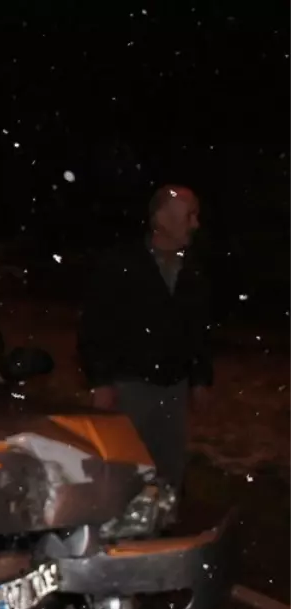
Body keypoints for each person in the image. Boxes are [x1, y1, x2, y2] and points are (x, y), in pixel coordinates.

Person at [77, 185, 212, 489]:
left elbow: (197, 327)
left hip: (173, 386)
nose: (196, 224)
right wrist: (100, 381)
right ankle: (120, 531)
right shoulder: (122, 264)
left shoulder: (191, 270)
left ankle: (162, 528)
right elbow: (95, 326)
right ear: (162, 219)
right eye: (190, 215)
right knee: (126, 467)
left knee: (168, 469)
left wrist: (200, 378)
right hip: (130, 386)